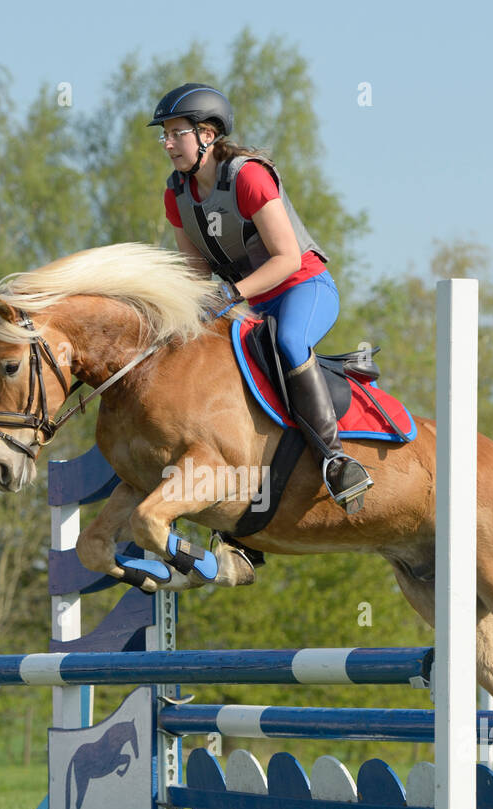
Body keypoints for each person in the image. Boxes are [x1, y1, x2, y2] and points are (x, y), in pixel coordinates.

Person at [149, 83, 372, 513]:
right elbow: (196, 274)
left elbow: (287, 258)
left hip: (302, 287)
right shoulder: (176, 195)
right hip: (246, 304)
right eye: (165, 135)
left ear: (207, 135)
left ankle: (336, 460)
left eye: (177, 133)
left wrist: (230, 293)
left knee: (289, 341)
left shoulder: (248, 177)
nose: (168, 144)